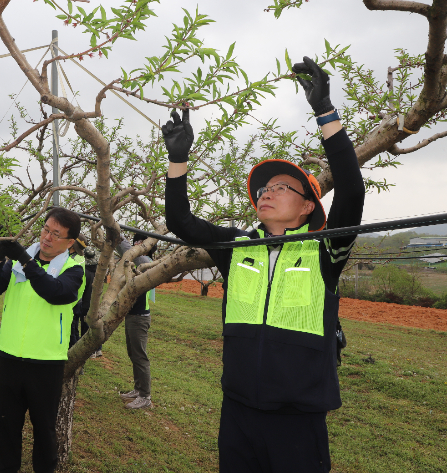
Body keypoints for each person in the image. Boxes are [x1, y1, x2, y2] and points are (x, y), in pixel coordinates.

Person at [163, 56, 365, 472]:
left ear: (308, 204)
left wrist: (325, 113)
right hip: (236, 410)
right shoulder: (237, 245)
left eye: (280, 187)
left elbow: (351, 189)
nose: (266, 193)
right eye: (262, 188)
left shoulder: (325, 247)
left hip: (298, 418)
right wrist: (178, 161)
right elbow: (181, 222)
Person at [0, 207, 84, 473]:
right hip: (10, 357)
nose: (47, 237)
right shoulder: (17, 263)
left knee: (44, 432)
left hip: (46, 363)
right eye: (46, 229)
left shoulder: (75, 267)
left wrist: (25, 260)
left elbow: (55, 292)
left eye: (56, 234)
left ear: (70, 242)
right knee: (7, 429)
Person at [117, 232, 156, 410]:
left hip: (139, 318)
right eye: (136, 242)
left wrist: (115, 232)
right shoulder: (139, 262)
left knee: (140, 357)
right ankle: (138, 389)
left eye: (141, 242)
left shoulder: (144, 261)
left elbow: (124, 248)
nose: (136, 245)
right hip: (133, 315)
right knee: (133, 354)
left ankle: (145, 396)